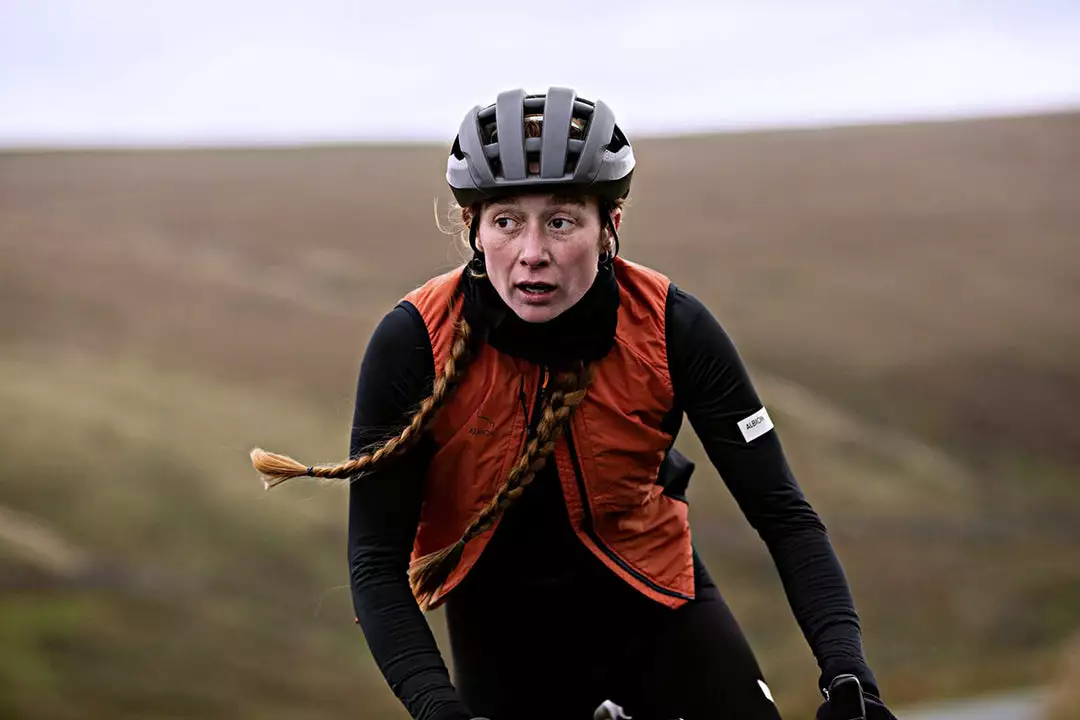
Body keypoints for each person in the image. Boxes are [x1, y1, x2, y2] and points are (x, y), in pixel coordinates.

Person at [251, 87, 899, 720]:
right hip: (502, 639)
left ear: (608, 226)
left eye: (561, 221)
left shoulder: (672, 328)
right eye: (507, 222)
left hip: (659, 608)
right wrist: (437, 708)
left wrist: (849, 676)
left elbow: (784, 515)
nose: (533, 254)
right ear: (474, 230)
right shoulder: (414, 343)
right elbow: (375, 565)